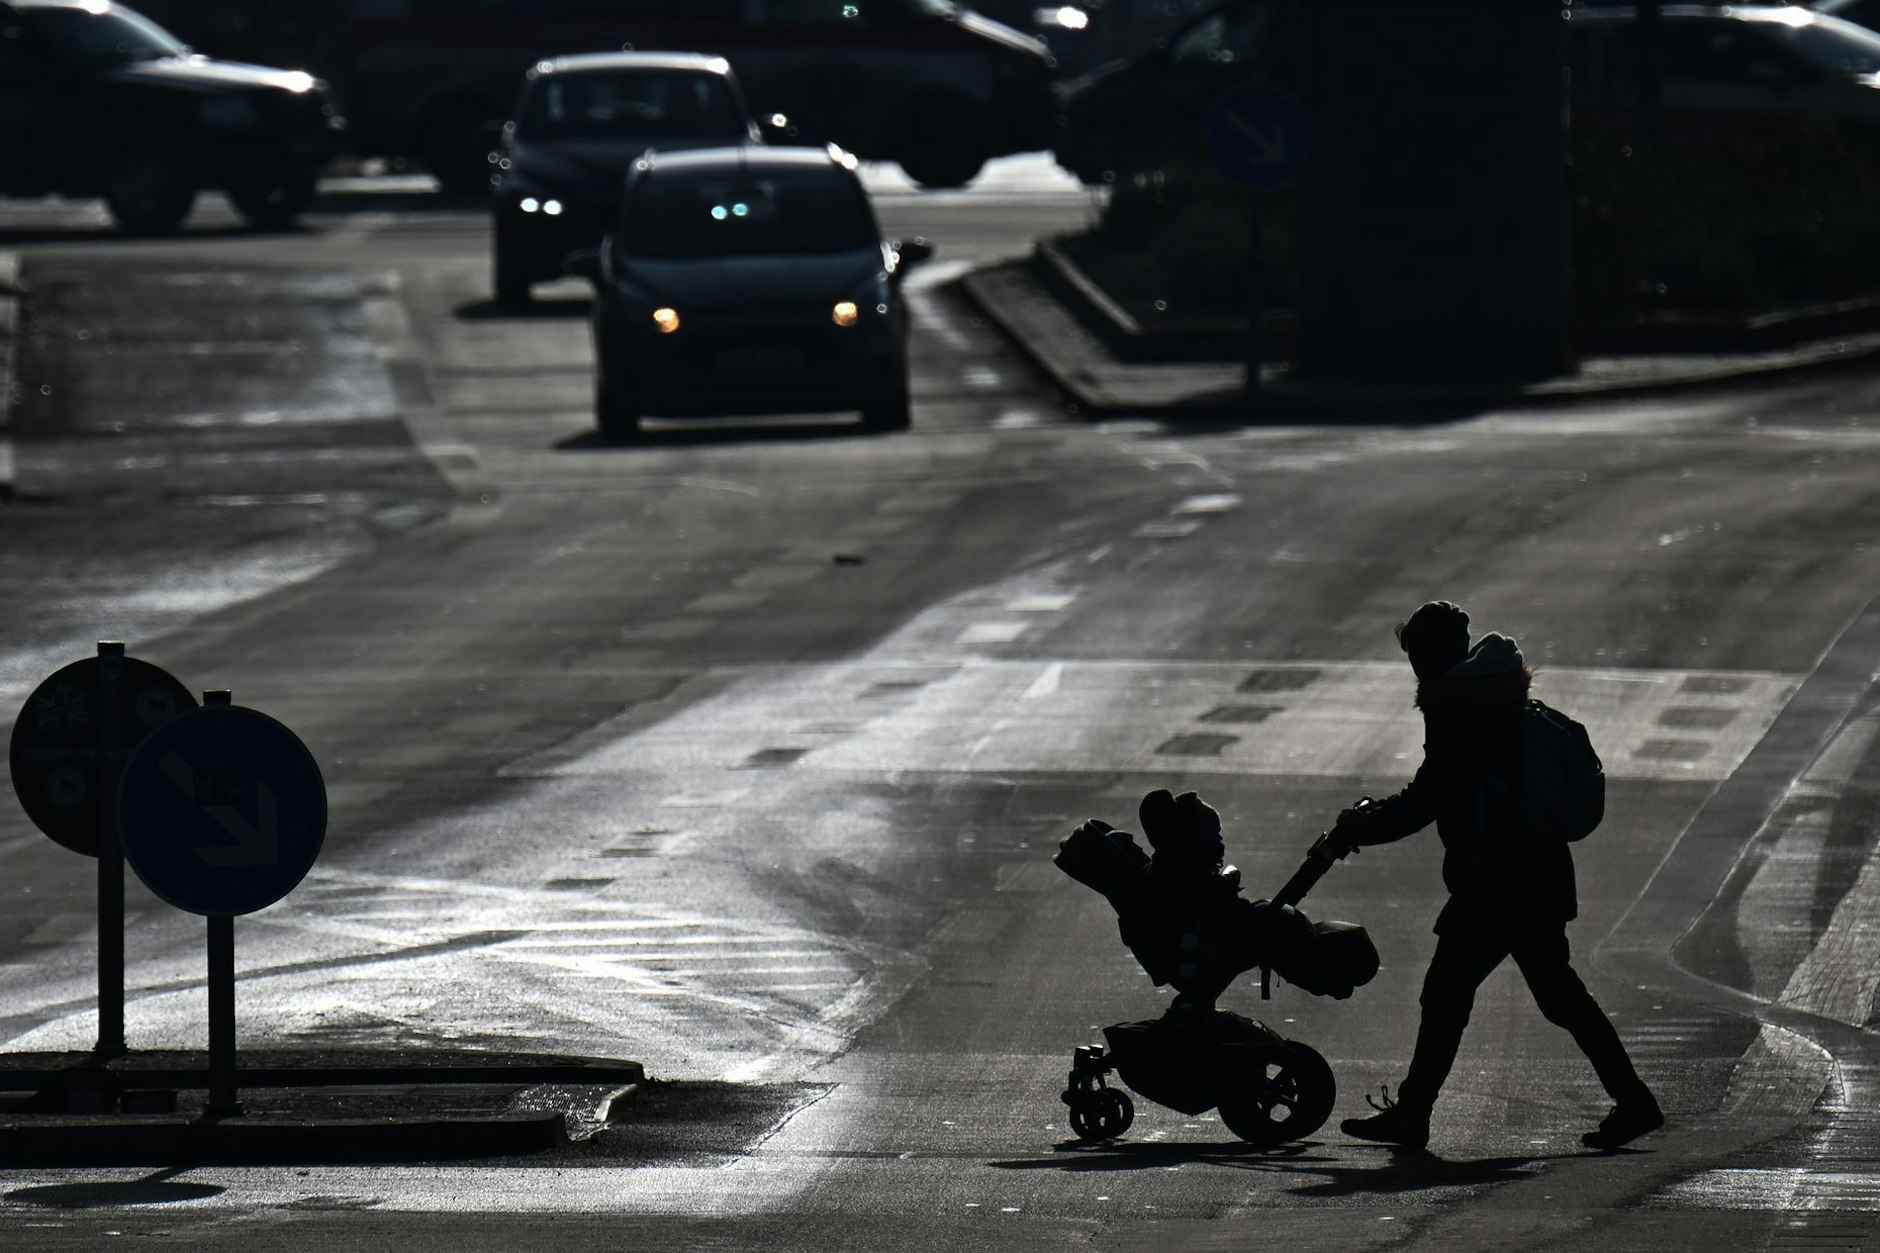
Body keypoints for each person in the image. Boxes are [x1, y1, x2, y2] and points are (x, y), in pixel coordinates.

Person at [1329, 600, 1663, 1152]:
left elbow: (1425, 800)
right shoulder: (1497, 698)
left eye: (1415, 653)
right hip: (1535, 875)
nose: (1413, 665)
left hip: (1499, 881)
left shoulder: (1459, 711)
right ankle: (1633, 1101)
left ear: (1429, 654)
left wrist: (1356, 828)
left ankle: (1414, 1115)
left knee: (1449, 994)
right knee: (1553, 996)